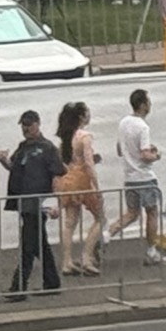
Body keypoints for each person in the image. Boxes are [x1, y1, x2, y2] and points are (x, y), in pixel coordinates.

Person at [0, 109, 63, 296]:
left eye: (29, 125)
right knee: (39, 246)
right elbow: (14, 168)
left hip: (38, 203)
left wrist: (58, 203)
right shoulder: (23, 147)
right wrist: (3, 161)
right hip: (25, 203)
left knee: (28, 245)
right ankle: (52, 282)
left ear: (37, 124)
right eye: (24, 125)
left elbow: (58, 176)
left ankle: (19, 286)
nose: (26, 129)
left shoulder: (48, 148)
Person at [107, 86, 166, 264]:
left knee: (132, 213)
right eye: (148, 102)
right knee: (152, 212)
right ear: (142, 105)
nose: (150, 105)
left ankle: (107, 234)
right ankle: (151, 251)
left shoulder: (124, 122)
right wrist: (156, 155)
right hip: (144, 177)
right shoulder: (143, 127)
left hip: (129, 177)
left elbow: (120, 149)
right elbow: (145, 155)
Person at [53, 99, 103, 275]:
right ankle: (86, 257)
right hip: (83, 181)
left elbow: (65, 161)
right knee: (100, 218)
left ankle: (66, 262)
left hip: (68, 181)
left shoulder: (67, 138)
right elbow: (88, 164)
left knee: (69, 223)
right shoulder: (84, 137)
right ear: (82, 116)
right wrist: (96, 186)